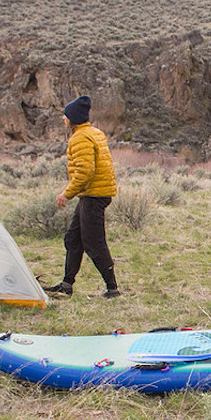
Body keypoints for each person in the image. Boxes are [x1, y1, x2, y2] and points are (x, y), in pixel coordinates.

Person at [42, 95, 121, 299]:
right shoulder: (95, 133)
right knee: (73, 238)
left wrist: (67, 194)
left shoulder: (80, 138)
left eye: (65, 116)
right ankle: (67, 285)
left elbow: (85, 171)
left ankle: (112, 289)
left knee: (94, 243)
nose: (63, 119)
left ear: (73, 118)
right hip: (94, 194)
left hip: (94, 195)